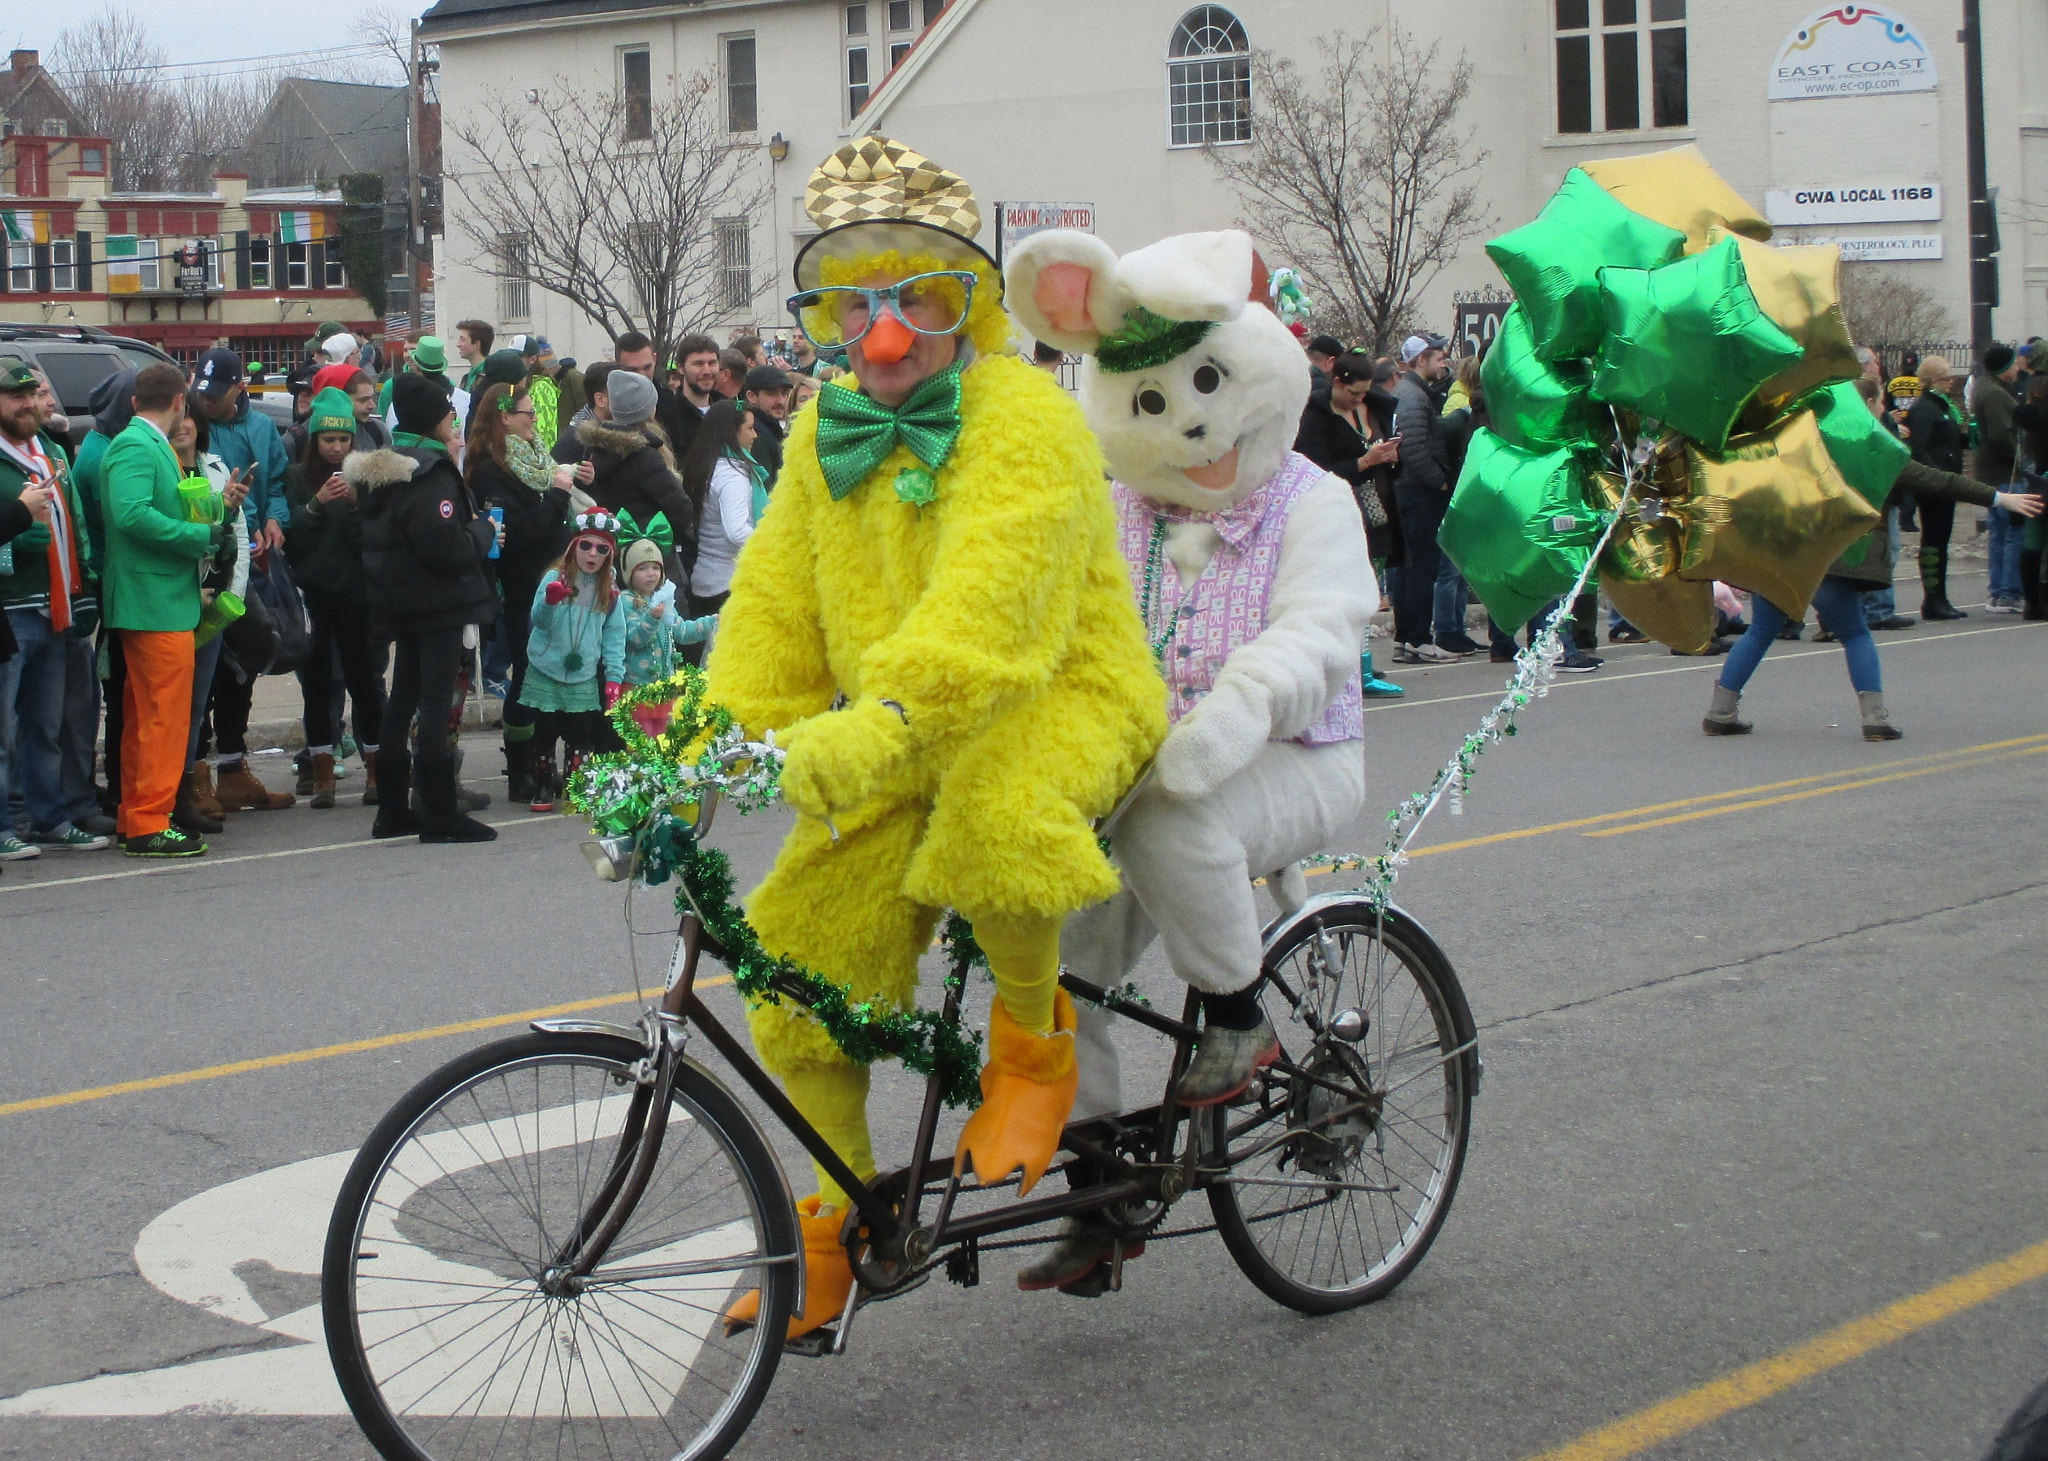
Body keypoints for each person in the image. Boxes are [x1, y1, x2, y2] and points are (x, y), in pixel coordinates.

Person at [709, 136, 1163, 1340]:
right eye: (850, 309)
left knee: (996, 814)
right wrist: (721, 731)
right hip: (894, 728)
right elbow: (775, 602)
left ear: (969, 308)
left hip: (1056, 693)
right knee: (799, 933)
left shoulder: (1027, 419)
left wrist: (884, 726)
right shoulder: (820, 430)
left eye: (917, 300)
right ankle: (831, 1220)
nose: (885, 337)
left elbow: (991, 613)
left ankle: (1031, 1045)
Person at [1704, 373, 2042, 741]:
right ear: (1867, 405)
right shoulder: (1874, 446)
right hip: (1839, 556)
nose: (1885, 407)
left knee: (1760, 632)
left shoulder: (1803, 438)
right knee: (1854, 633)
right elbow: (1935, 480)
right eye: (1880, 401)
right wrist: (1997, 497)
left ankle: (1721, 710)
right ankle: (1875, 717)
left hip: (1789, 553)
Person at [353, 373, 501, 844]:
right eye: (447, 414)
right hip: (437, 601)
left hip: (401, 597)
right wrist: (483, 531)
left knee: (402, 700)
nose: (451, 421)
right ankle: (438, 811)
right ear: (435, 419)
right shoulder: (430, 472)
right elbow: (446, 547)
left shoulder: (387, 467)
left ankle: (394, 809)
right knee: (433, 703)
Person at [102, 363, 230, 858]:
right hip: (153, 602)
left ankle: (136, 815)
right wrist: (199, 536)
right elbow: (130, 514)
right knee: (163, 720)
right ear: (180, 400)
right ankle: (150, 822)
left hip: (155, 600)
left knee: (145, 718)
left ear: (136, 401)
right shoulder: (137, 444)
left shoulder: (139, 440)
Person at [0, 363, 103, 857]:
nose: (25, 404)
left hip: (55, 608)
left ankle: (49, 817)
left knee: (45, 725)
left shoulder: (51, 453)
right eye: (12, 396)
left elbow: (73, 524)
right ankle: (2, 825)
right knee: (2, 730)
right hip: (10, 611)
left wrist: (81, 589)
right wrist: (12, 548)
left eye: (30, 394)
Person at [190, 347, 296, 813]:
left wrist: (275, 519)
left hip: (252, 562)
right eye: (201, 392)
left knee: (244, 664)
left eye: (215, 393)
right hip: (212, 558)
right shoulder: (194, 425)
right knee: (204, 670)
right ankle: (196, 774)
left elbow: (275, 483)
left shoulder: (260, 428)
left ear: (239, 388)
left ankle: (233, 767)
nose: (206, 402)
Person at [467, 383, 575, 801]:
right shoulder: (491, 469)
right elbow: (521, 533)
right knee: (528, 679)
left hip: (552, 577)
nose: (534, 419)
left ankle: (543, 761)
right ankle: (520, 769)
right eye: (526, 413)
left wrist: (567, 484)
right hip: (522, 585)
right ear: (504, 418)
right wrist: (559, 498)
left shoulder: (533, 457)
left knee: (552, 675)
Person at [283, 388, 386, 810]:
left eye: (344, 440)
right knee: (319, 686)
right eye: (328, 440)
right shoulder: (295, 477)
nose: (336, 448)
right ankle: (322, 770)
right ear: (315, 440)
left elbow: (377, 538)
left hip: (358, 595)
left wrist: (360, 506)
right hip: (315, 595)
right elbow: (290, 541)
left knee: (366, 682)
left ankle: (377, 771)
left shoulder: (364, 478)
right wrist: (315, 505)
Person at [1293, 350, 1403, 696]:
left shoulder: (1374, 408)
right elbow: (1315, 472)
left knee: (1369, 591)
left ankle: (1361, 665)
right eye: (1353, 393)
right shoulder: (1315, 417)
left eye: (1364, 393)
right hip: (1340, 514)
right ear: (1336, 382)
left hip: (1377, 514)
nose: (1359, 399)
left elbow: (1383, 457)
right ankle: (1354, 668)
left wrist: (1390, 457)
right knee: (1347, 596)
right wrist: (1365, 461)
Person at [167, 406, 251, 834]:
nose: (182, 425)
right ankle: (161, 798)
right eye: (175, 416)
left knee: (196, 706)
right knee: (166, 708)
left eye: (189, 418)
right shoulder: (156, 465)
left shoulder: (214, 467)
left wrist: (230, 595)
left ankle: (184, 795)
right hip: (170, 603)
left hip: (212, 602)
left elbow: (233, 534)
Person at [519, 512, 628, 813]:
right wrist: (550, 602)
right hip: (546, 668)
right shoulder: (555, 579)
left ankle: (575, 783)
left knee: (580, 733)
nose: (593, 554)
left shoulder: (610, 590)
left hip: (582, 674)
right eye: (586, 546)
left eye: (602, 549)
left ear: (610, 555)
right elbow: (538, 621)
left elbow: (615, 635)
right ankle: (543, 784)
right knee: (544, 731)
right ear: (573, 547)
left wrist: (615, 677)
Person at [563, 368, 697, 579]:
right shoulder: (645, 456)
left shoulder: (595, 448)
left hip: (615, 550)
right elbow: (677, 505)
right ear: (649, 410)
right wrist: (690, 530)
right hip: (649, 549)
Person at [1389, 333, 1460, 664]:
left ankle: (1406, 638)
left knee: (1410, 567)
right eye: (1438, 357)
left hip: (1412, 489)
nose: (1443, 362)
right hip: (1420, 492)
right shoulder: (1414, 397)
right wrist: (1440, 482)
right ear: (1420, 361)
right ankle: (1418, 637)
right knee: (1421, 568)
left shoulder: (1410, 392)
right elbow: (1414, 446)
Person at [618, 532, 715, 738]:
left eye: (655, 567)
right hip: (639, 690)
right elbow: (636, 640)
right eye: (642, 568)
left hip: (666, 689)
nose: (651, 573)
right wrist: (652, 619)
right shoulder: (626, 601)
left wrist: (712, 622)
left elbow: (682, 632)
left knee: (666, 743)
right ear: (629, 573)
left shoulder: (663, 599)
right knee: (641, 747)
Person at [1900, 356, 1971, 620]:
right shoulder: (1924, 409)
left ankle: (1940, 596)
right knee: (1933, 539)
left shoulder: (1942, 406)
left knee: (1941, 539)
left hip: (1946, 482)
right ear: (1932, 380)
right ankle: (1933, 598)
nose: (1951, 382)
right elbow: (1918, 448)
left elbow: (1945, 441)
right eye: (1946, 378)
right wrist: (1936, 476)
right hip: (1934, 485)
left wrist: (1964, 439)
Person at [683, 399, 765, 618]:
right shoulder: (733, 475)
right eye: (750, 428)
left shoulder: (708, 467)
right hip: (728, 585)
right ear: (732, 432)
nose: (755, 435)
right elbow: (737, 531)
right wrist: (771, 540)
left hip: (705, 579)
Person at [1974, 344, 2024, 612]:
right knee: (2012, 532)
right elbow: (1999, 435)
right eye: (2014, 364)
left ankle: (1998, 591)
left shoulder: (1990, 388)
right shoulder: (1994, 393)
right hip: (2005, 473)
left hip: (1996, 473)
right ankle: (2008, 592)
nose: (2018, 368)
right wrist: (2020, 458)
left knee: (1999, 532)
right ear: (2004, 368)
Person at [741, 364, 791, 483]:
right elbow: (765, 490)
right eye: (772, 393)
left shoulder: (770, 429)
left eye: (784, 393)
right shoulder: (757, 435)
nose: (781, 401)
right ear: (751, 397)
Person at [455, 319, 495, 394]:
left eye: (463, 340)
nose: (458, 344)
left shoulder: (489, 377)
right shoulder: (466, 378)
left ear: (477, 344)